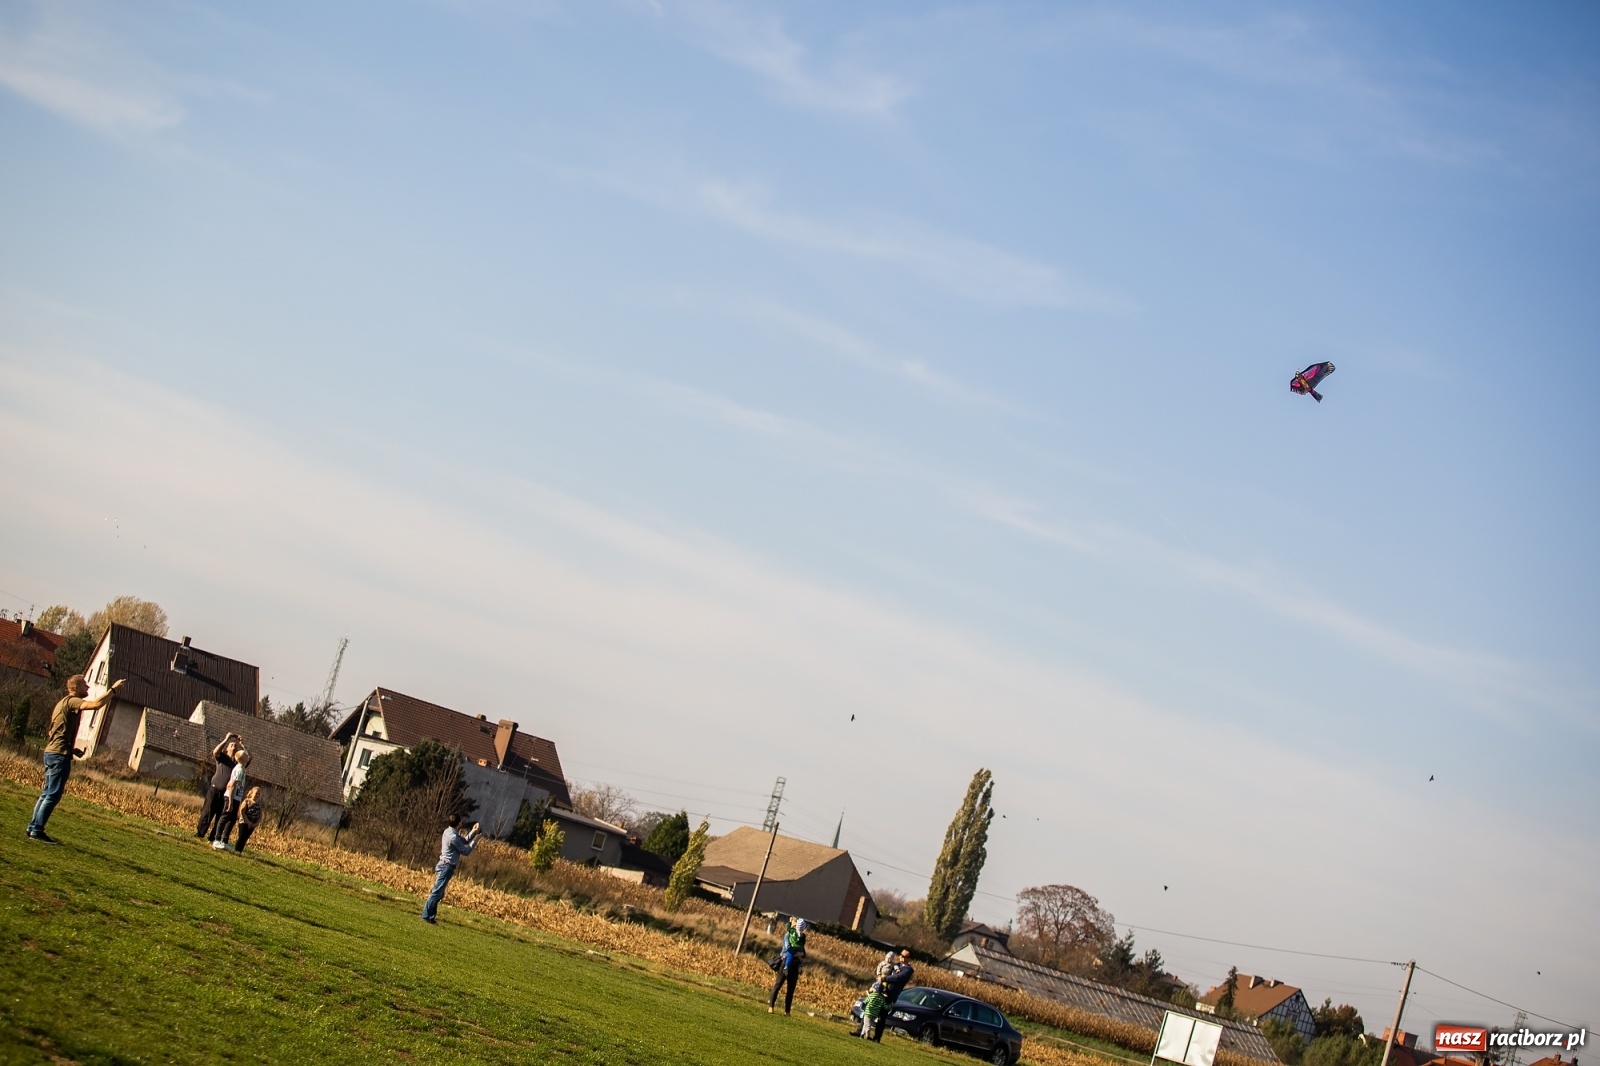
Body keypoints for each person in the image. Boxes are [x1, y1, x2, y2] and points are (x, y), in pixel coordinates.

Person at [26, 674, 125, 843]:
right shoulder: (73, 701)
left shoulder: (61, 703)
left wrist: (71, 749)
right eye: (85, 685)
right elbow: (96, 705)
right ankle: (37, 830)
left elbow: (55, 731)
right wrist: (114, 690)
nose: (88, 687)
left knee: (47, 793)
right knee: (53, 795)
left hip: (51, 752)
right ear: (76, 687)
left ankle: (33, 827)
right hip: (59, 756)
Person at [421, 814, 480, 924]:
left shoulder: (448, 832)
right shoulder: (453, 837)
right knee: (436, 893)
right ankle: (426, 916)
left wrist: (473, 831)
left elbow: (464, 840)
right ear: (459, 823)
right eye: (461, 822)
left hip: (444, 866)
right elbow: (465, 851)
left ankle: (431, 917)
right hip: (446, 867)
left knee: (439, 894)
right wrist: (475, 840)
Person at [196, 733, 242, 839]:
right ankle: (200, 833)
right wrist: (226, 739)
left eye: (236, 745)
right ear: (226, 749)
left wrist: (242, 744)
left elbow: (249, 758)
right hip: (215, 789)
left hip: (226, 794)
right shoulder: (222, 757)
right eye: (231, 745)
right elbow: (215, 752)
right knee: (207, 812)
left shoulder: (238, 764)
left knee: (220, 816)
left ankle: (213, 837)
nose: (234, 745)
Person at [870, 949, 915, 1041]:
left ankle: (877, 1038)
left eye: (904, 956)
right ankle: (860, 1031)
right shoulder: (895, 965)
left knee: (882, 1016)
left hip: (890, 995)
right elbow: (885, 970)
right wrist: (880, 976)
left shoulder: (908, 970)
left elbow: (897, 977)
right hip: (881, 991)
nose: (901, 957)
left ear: (909, 959)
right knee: (869, 1010)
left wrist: (884, 979)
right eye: (901, 955)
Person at [210, 749, 250, 850]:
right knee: (225, 817)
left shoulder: (242, 769)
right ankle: (217, 839)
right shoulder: (239, 769)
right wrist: (230, 802)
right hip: (231, 797)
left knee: (232, 820)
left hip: (236, 797)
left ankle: (225, 840)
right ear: (241, 758)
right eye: (245, 755)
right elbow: (232, 786)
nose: (248, 756)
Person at [767, 917, 808, 1015]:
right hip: (785, 963)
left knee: (791, 990)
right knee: (778, 985)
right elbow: (787, 948)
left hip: (795, 965)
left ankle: (787, 1011)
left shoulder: (801, 937)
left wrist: (801, 954)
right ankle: (771, 1007)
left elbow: (804, 953)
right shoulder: (788, 935)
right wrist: (796, 954)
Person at [232, 786, 265, 853]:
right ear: (252, 793)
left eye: (259, 794)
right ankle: (236, 850)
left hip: (252, 824)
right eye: (256, 793)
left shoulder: (259, 805)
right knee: (241, 837)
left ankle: (240, 851)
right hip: (244, 823)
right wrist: (247, 822)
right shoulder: (247, 801)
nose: (257, 795)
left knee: (245, 838)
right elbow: (242, 811)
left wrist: (256, 824)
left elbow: (260, 816)